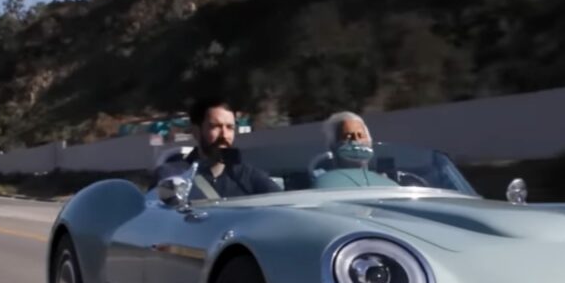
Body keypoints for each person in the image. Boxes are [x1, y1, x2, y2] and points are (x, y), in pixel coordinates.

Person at [152, 97, 281, 199]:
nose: (224, 135)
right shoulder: (173, 173)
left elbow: (282, 204)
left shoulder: (247, 176)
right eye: (215, 127)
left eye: (230, 128)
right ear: (196, 131)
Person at [311, 111, 398, 189]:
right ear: (333, 146)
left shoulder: (389, 186)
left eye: (360, 135)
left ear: (370, 143)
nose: (355, 141)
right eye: (347, 137)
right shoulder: (325, 184)